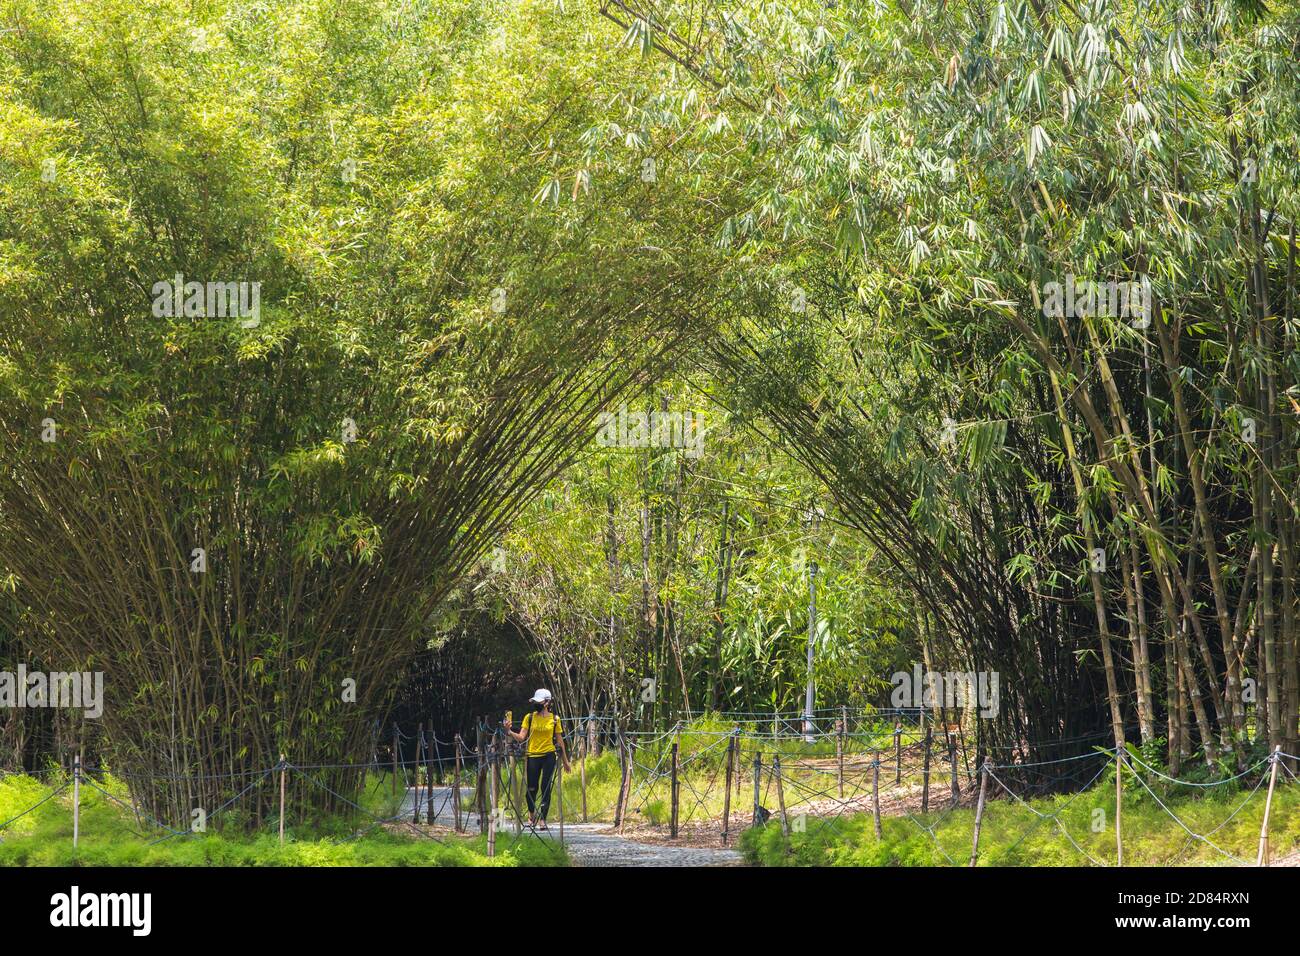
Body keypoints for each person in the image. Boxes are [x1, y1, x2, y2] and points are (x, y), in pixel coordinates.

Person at [504, 688, 569, 830]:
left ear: (547, 702)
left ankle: (543, 820)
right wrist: (509, 731)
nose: (536, 704)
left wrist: (565, 760)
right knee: (531, 788)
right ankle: (531, 815)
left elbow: (560, 741)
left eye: (539, 701)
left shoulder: (555, 719)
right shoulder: (529, 717)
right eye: (535, 701)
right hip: (533, 755)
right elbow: (521, 737)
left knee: (546, 787)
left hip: (549, 755)